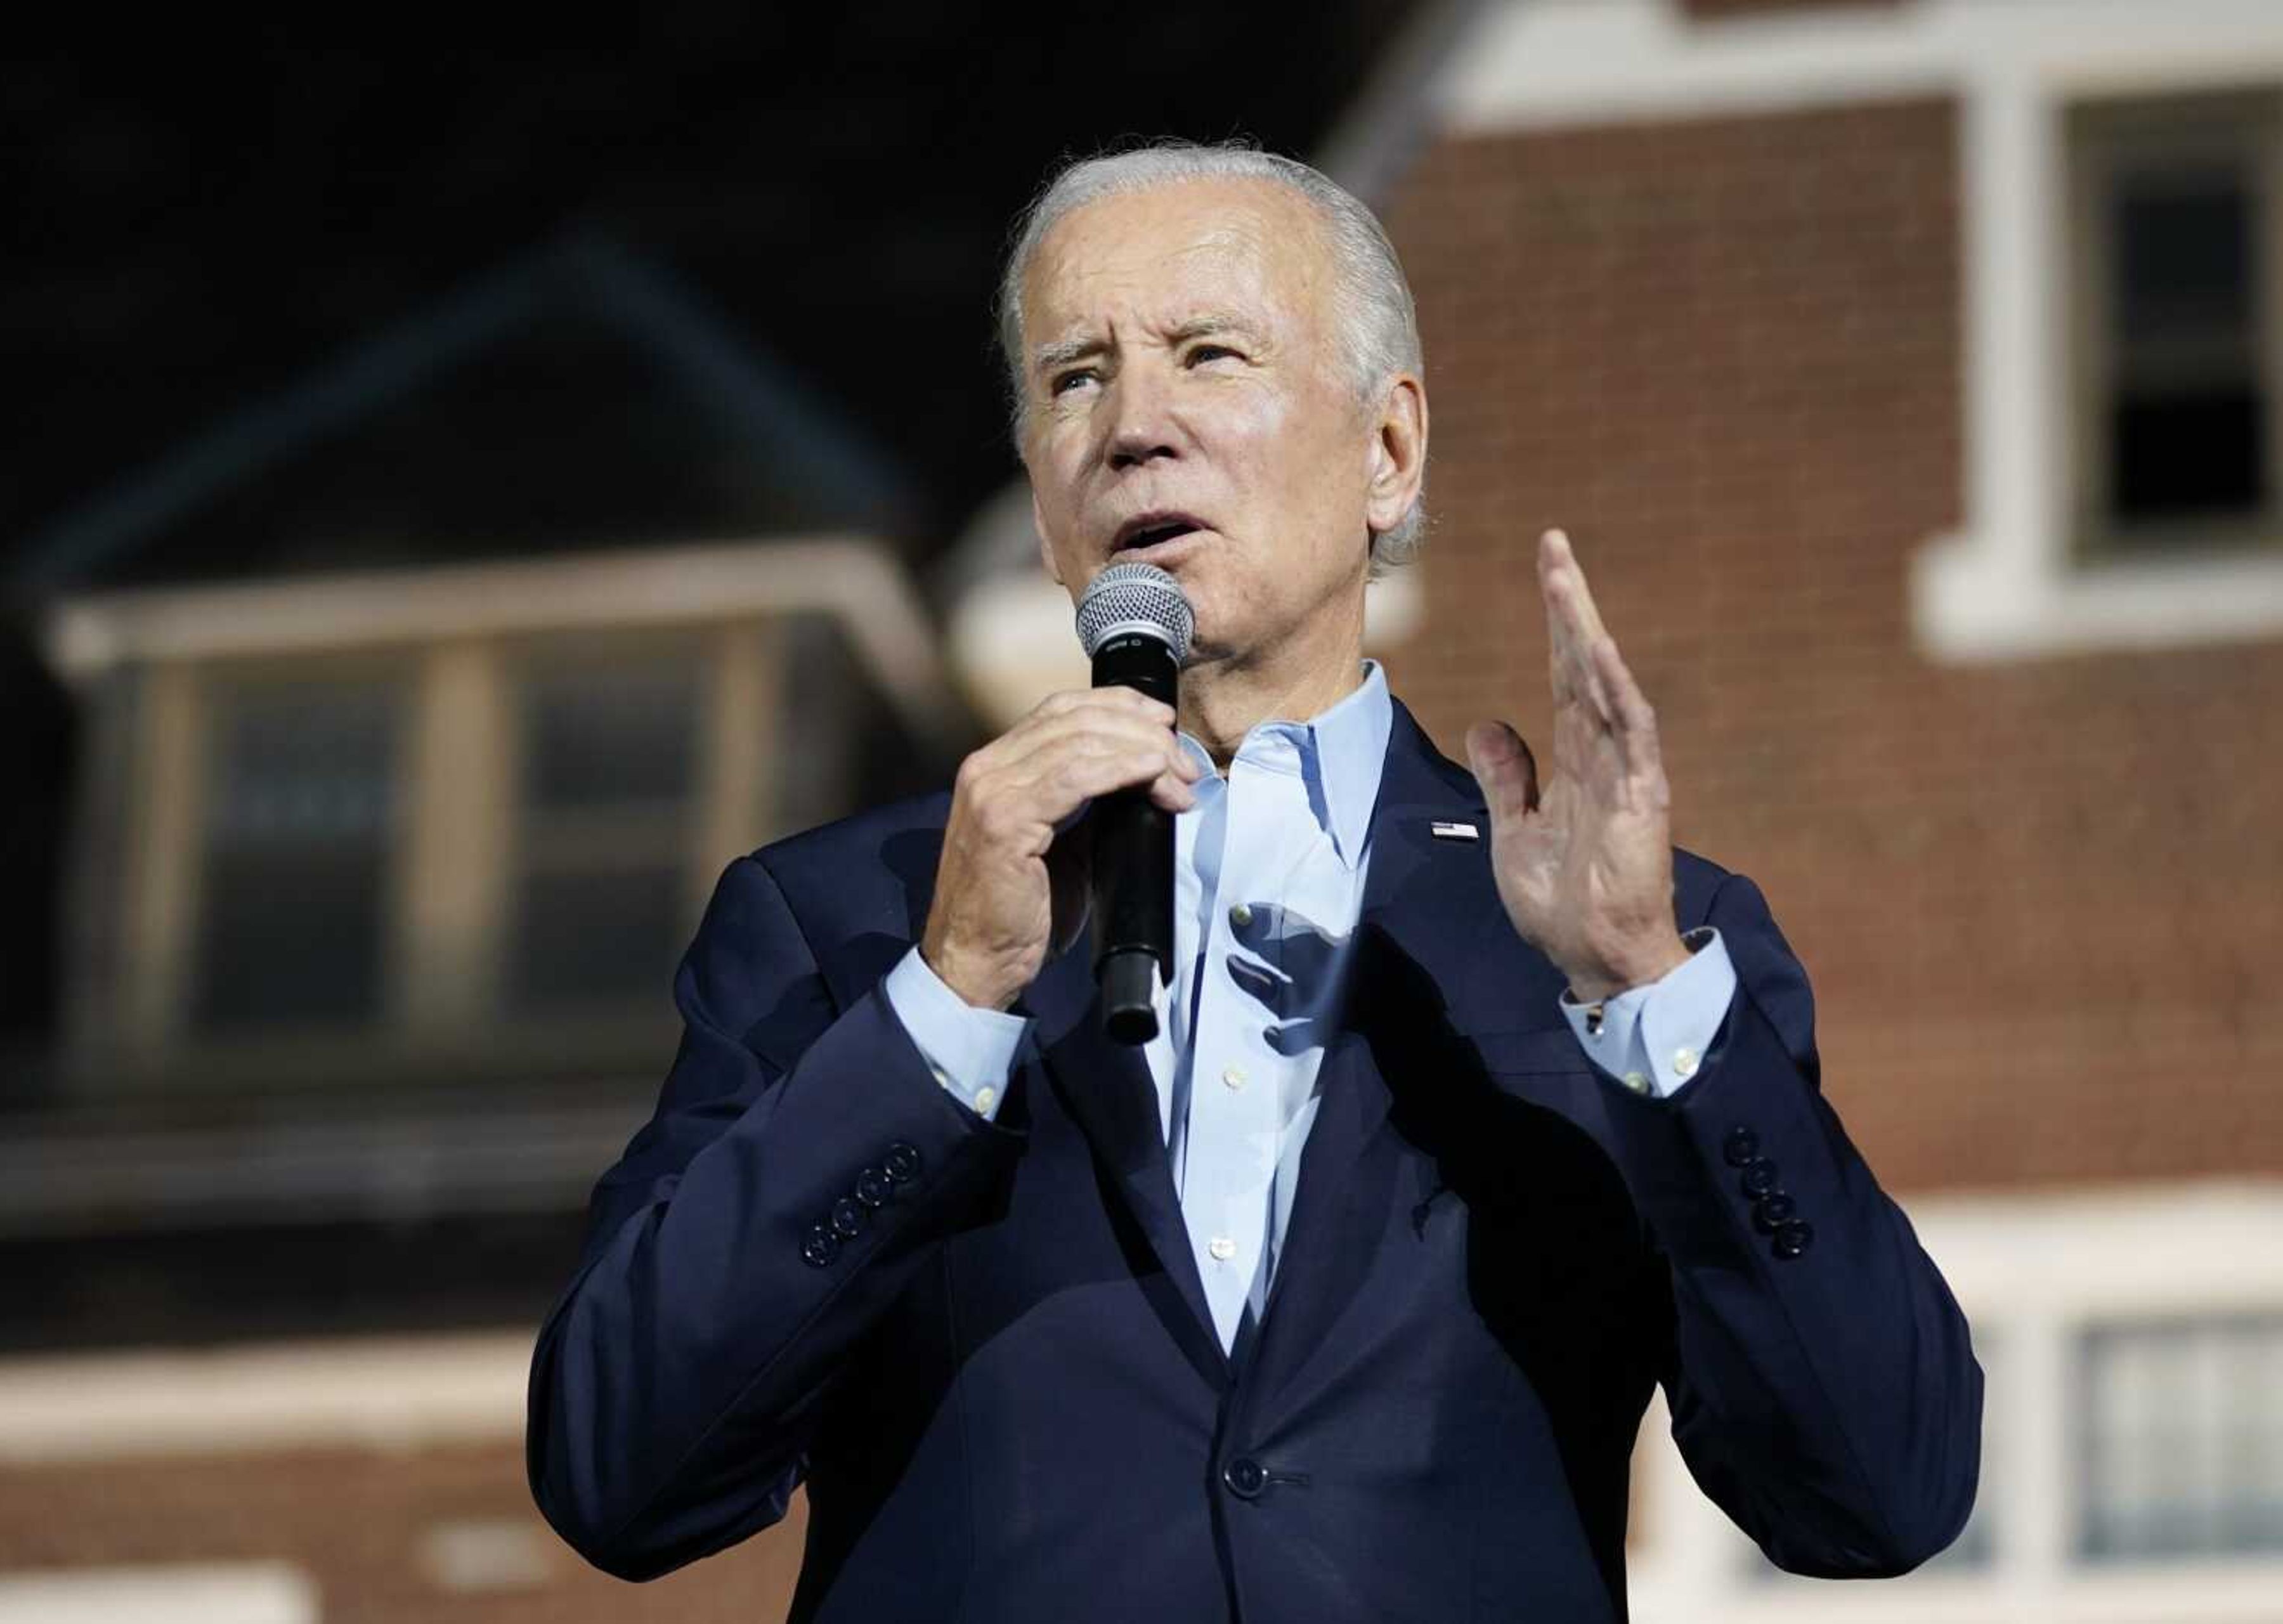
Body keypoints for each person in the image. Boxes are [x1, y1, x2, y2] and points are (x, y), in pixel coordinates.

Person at [525, 143, 1982, 1622]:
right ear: (1038, 498)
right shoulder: (845, 922)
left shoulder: (1638, 935)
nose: (1135, 429)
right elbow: (620, 1473)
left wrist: (1642, 994)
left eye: (1208, 354)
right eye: (1073, 379)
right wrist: (946, 1004)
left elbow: (1879, 1489)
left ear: (1388, 451)